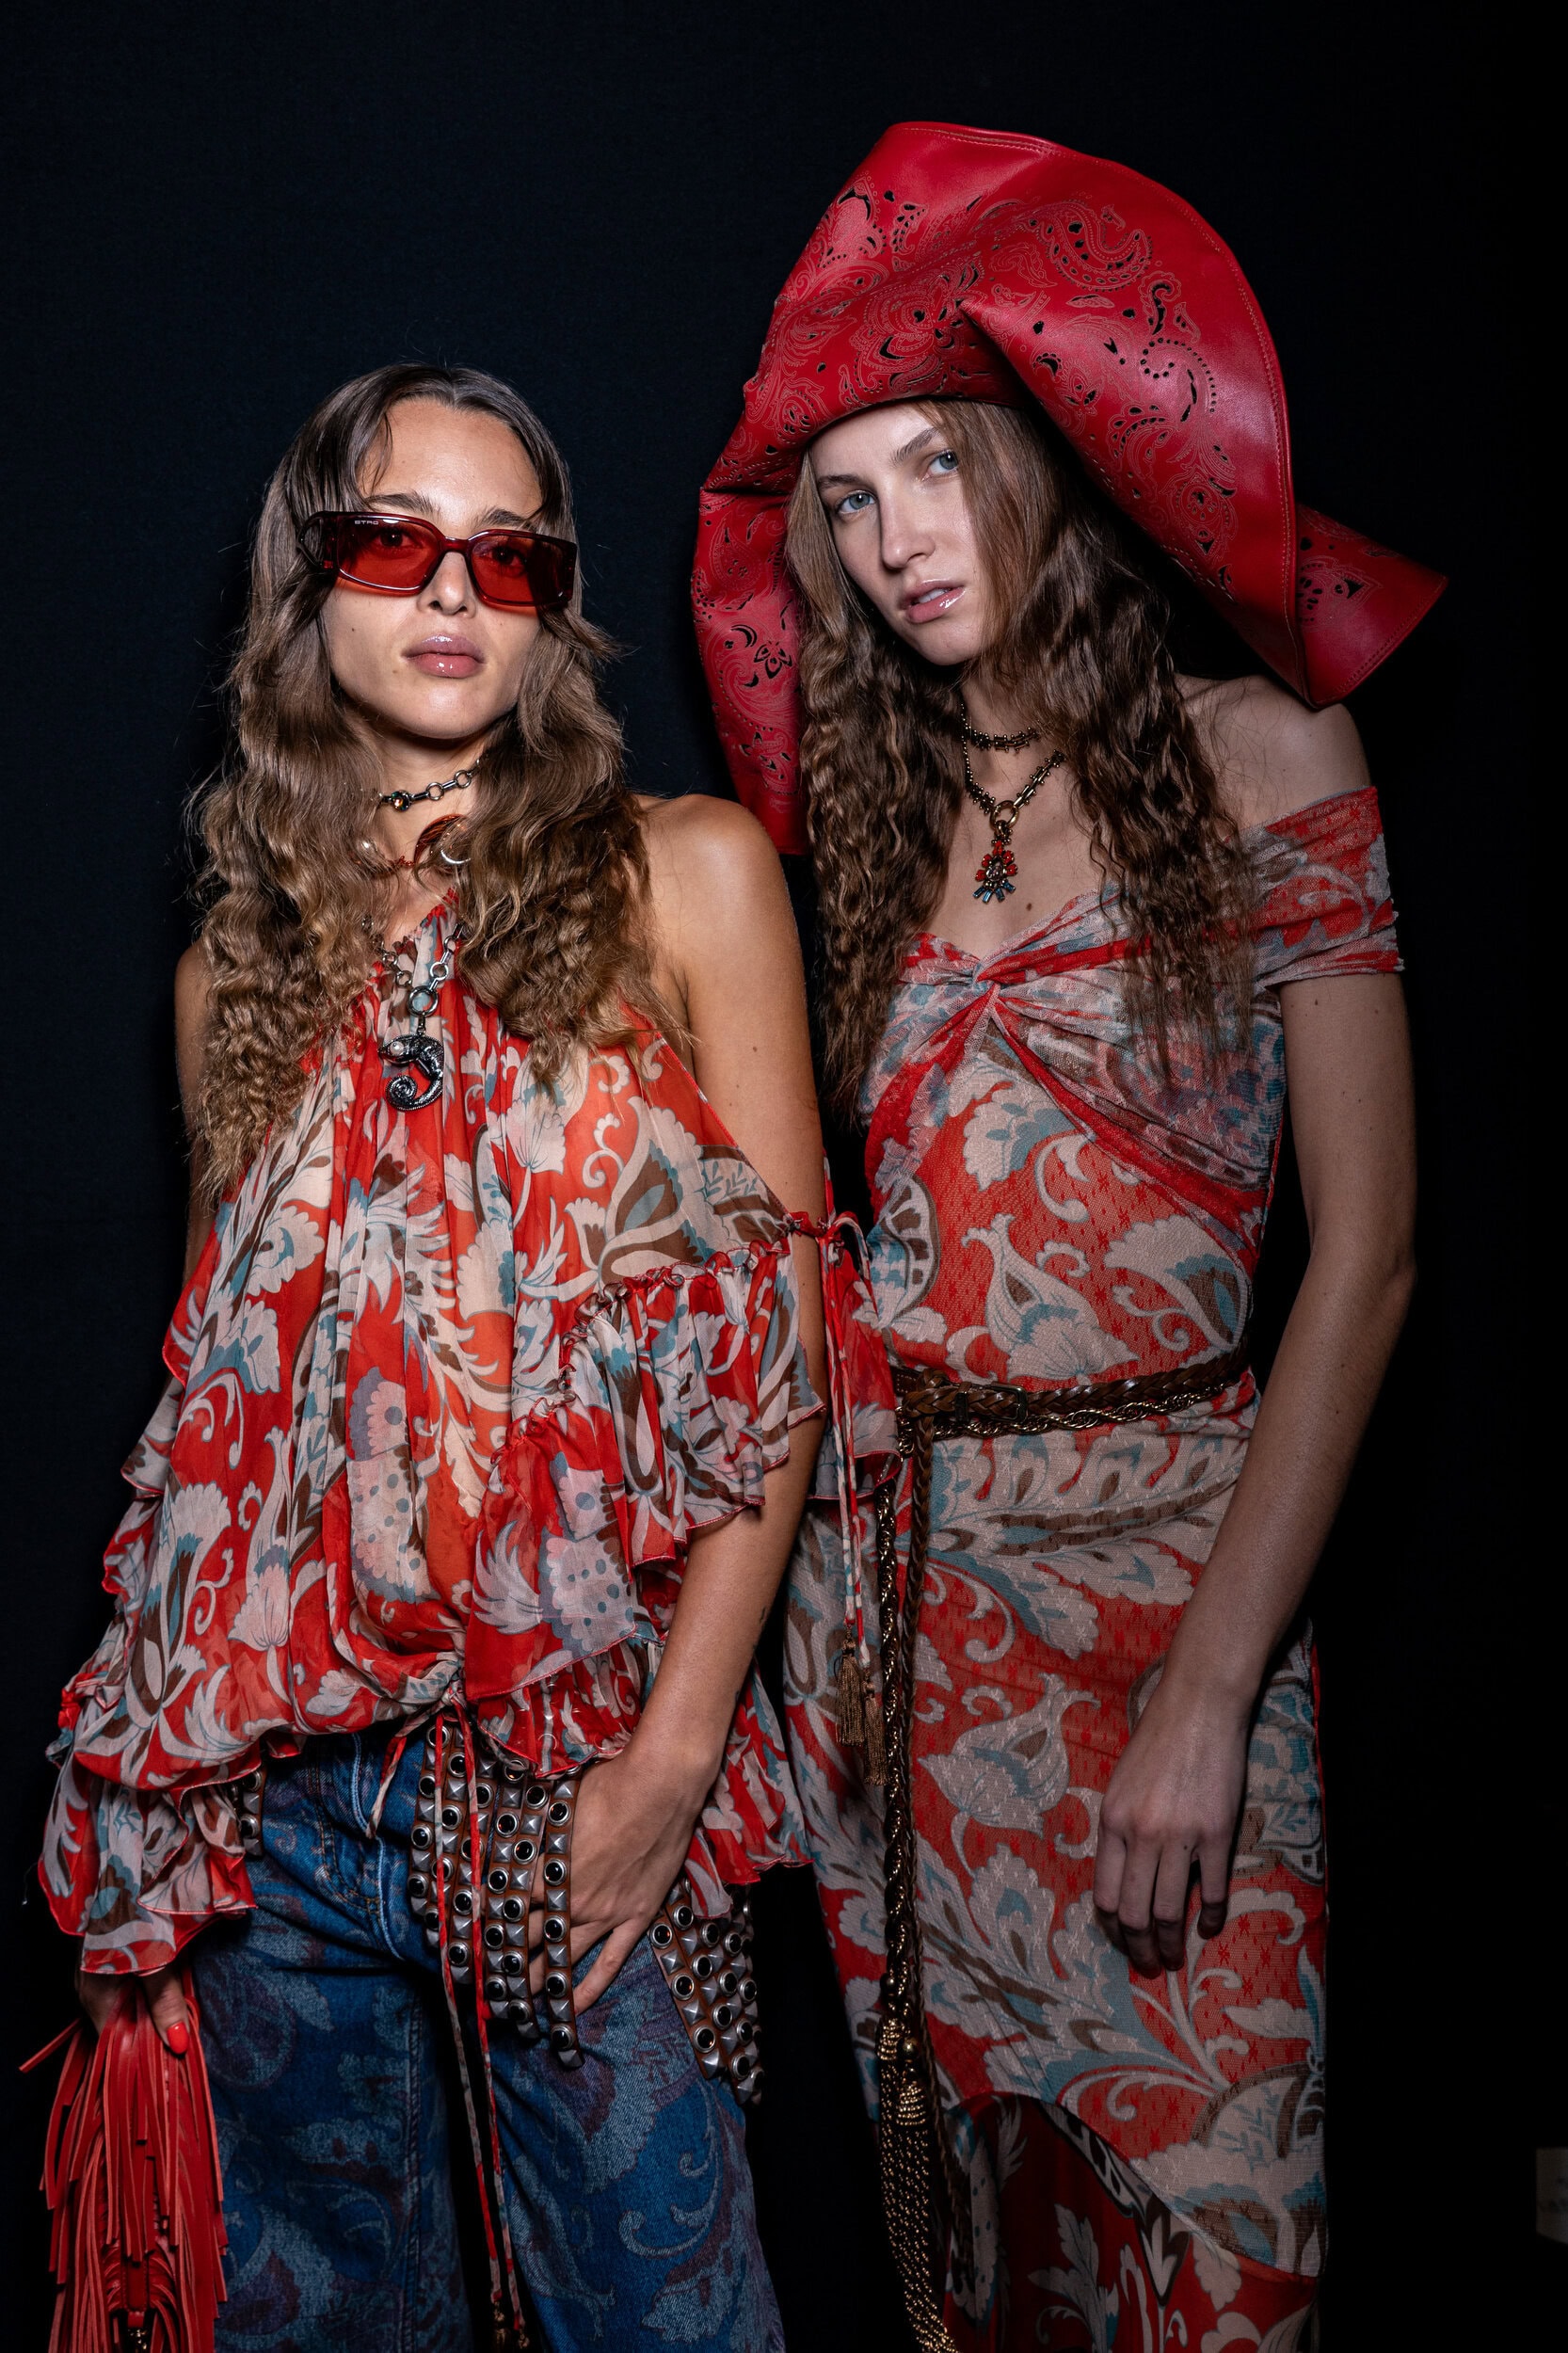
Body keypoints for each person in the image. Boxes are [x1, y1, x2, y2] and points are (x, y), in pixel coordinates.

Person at [40, 360, 884, 2353]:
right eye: (395, 540)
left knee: (664, 2321)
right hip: (279, 1817)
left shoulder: (683, 872)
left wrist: (677, 1754)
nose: (450, 591)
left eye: (508, 557)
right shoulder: (230, 975)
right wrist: (144, 1819)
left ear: (553, 605)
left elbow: (785, 1341)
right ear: (306, 580)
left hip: (571, 1774)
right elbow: (217, 1438)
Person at [694, 124, 1442, 2351]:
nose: (894, 538)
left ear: (1044, 457)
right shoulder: (853, 820)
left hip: (1172, 1600)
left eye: (935, 467)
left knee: (1220, 2269)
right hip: (893, 1624)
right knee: (972, 2289)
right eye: (846, 502)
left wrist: (1210, 1691)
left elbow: (1368, 1254)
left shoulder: (1271, 752)